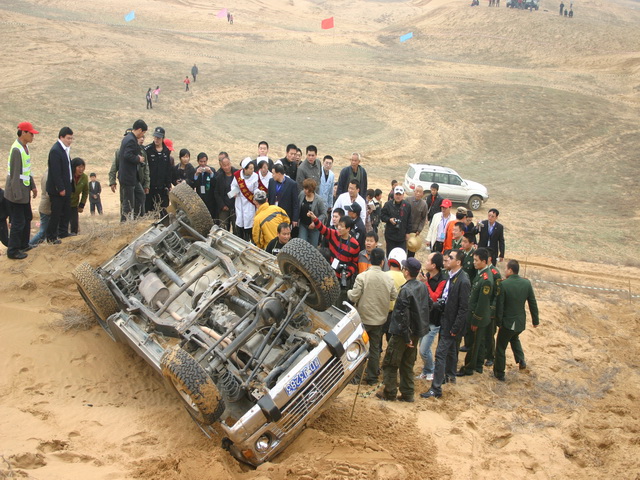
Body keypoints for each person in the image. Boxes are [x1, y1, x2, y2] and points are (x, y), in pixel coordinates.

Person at [377, 257, 429, 402]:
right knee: (407, 363)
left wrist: (406, 338)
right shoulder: (422, 287)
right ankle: (407, 393)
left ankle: (389, 392)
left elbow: (402, 316)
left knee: (390, 363)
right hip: (416, 332)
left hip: (402, 334)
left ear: (406, 271)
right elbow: (427, 307)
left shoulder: (406, 290)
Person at [421, 249, 471, 399]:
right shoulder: (452, 276)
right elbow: (447, 299)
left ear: (458, 262)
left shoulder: (463, 281)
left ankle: (436, 388)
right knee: (450, 351)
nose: (447, 260)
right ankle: (449, 377)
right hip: (446, 320)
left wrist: (455, 328)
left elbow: (463, 308)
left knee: (440, 353)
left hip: (451, 323)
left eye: (450, 258)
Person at [348, 248, 398, 385]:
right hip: (380, 319)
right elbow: (394, 295)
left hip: (363, 319)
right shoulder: (388, 278)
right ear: (382, 262)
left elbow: (354, 296)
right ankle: (372, 377)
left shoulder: (362, 277)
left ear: (370, 260)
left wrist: (347, 292)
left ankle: (356, 377)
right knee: (375, 348)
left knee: (360, 347)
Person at [493, 260, 539, 381]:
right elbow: (532, 303)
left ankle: (499, 372)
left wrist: (499, 322)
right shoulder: (526, 283)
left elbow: (500, 306)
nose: (504, 271)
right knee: (514, 337)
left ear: (510, 270)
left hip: (507, 322)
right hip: (520, 322)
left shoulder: (504, 285)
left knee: (501, 347)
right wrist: (535, 320)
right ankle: (521, 359)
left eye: (506, 269)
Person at [457, 247, 493, 376]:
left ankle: (468, 368)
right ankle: (478, 365)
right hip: (474, 314)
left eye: (476, 260)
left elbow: (482, 303)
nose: (474, 262)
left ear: (484, 261)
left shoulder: (486, 279)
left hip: (478, 317)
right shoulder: (481, 274)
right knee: (479, 342)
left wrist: (475, 320)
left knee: (474, 344)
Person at [5, 122, 39, 259]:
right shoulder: (16, 150)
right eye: (31, 133)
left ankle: (24, 244)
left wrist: (33, 186)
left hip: (24, 191)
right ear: (23, 133)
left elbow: (26, 170)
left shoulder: (25, 148)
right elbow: (14, 175)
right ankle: (13, 251)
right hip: (16, 193)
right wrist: (17, 195)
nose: (33, 136)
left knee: (27, 218)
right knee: (18, 222)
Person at [308, 212, 359, 302]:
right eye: (339, 225)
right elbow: (322, 229)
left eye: (342, 226)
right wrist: (314, 218)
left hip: (343, 277)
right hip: (330, 274)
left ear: (348, 229)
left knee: (339, 300)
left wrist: (349, 273)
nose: (339, 228)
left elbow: (354, 262)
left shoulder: (355, 245)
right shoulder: (333, 234)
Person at [417, 252, 447, 381]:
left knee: (424, 349)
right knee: (422, 346)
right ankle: (427, 370)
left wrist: (425, 284)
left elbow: (435, 298)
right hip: (424, 317)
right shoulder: (427, 276)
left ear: (434, 265)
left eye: (428, 260)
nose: (426, 261)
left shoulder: (443, 280)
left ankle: (431, 370)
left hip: (434, 320)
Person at [111, 125, 149, 221]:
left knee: (140, 196)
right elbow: (126, 156)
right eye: (143, 133)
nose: (142, 136)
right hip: (127, 177)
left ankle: (139, 219)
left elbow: (145, 168)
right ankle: (125, 223)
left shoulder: (134, 144)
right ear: (139, 130)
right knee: (127, 202)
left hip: (134, 177)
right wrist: (138, 159)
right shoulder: (129, 140)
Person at [46, 126, 73, 244]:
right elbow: (56, 172)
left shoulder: (66, 150)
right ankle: (51, 237)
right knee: (56, 213)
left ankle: (63, 233)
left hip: (67, 186)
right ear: (61, 137)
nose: (70, 141)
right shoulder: (55, 150)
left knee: (66, 211)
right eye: (68, 138)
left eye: (72, 138)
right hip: (58, 189)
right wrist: (61, 188)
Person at [144, 127, 172, 215]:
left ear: (163, 138)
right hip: (150, 187)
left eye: (159, 138)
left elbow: (168, 169)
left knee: (163, 211)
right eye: (155, 137)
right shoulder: (147, 150)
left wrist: (168, 184)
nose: (156, 139)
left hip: (162, 187)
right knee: (149, 211)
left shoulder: (166, 151)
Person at [230, 157, 259, 241]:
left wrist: (257, 193)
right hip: (240, 201)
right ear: (245, 169)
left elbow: (256, 188)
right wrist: (234, 192)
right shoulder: (237, 175)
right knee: (240, 223)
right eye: (250, 169)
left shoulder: (255, 176)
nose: (252, 170)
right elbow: (233, 185)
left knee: (250, 224)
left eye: (253, 168)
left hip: (250, 204)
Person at [483, 253, 503, 368]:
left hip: (490, 309)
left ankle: (490, 356)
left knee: (490, 333)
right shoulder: (483, 270)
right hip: (483, 306)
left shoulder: (495, 273)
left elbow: (497, 293)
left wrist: (492, 309)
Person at [380, 186, 412, 255]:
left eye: (400, 194)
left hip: (402, 236)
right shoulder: (388, 204)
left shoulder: (407, 206)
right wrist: (389, 219)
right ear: (393, 194)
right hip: (390, 236)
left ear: (403, 195)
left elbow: (409, 220)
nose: (398, 196)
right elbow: (382, 216)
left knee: (401, 255)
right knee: (390, 255)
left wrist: (408, 233)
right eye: (396, 194)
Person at [267, 164, 299, 229]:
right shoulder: (271, 181)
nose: (272, 175)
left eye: (273, 173)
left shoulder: (292, 184)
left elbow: (295, 203)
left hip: (285, 215)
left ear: (279, 174)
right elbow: (269, 197)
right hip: (272, 213)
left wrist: (295, 218)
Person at [297, 179, 326, 246]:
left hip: (314, 228)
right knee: (301, 243)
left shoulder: (319, 200)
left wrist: (315, 222)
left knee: (313, 246)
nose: (305, 191)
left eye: (307, 189)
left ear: (312, 190)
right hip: (303, 224)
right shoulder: (302, 194)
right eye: (304, 188)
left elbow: (323, 214)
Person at [214, 156, 237, 231]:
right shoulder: (219, 177)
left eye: (228, 164)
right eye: (225, 166)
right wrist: (222, 205)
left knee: (236, 228)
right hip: (224, 207)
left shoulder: (237, 174)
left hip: (236, 206)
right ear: (221, 166)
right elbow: (216, 193)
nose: (227, 167)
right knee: (223, 228)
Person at [28, 171, 50, 247]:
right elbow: (48, 194)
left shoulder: (47, 173)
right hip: (47, 208)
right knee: (42, 233)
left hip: (46, 207)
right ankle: (29, 245)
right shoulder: (49, 175)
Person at [68, 157, 88, 235]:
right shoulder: (68, 175)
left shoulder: (84, 177)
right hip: (65, 203)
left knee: (74, 225)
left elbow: (85, 192)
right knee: (63, 224)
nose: (81, 169)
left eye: (83, 167)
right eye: (79, 167)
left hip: (74, 204)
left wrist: (81, 205)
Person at [407, 185, 428, 258]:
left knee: (412, 248)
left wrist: (419, 230)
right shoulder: (408, 200)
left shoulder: (424, 204)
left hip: (415, 231)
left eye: (420, 192)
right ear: (414, 192)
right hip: (406, 229)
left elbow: (423, 218)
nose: (418, 194)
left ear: (422, 194)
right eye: (417, 191)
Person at [193, 152, 216, 218]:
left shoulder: (212, 170)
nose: (203, 164)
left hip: (210, 197)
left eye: (204, 161)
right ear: (198, 161)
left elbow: (214, 183)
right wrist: (196, 174)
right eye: (201, 161)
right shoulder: (195, 170)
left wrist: (211, 173)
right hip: (200, 197)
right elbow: (194, 185)